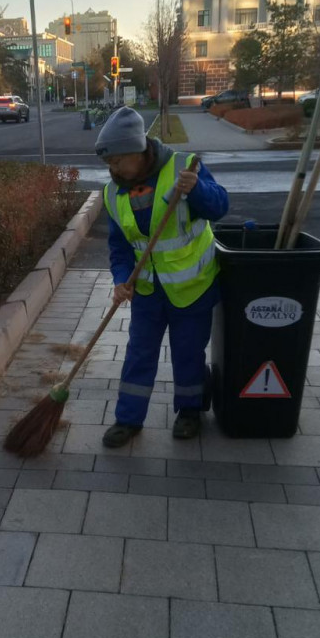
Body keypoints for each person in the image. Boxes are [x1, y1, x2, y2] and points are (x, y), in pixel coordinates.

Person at [95, 106, 229, 448]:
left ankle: (190, 411)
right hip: (148, 292)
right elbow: (119, 247)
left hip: (192, 288)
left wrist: (197, 188)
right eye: (108, 163)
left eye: (116, 160)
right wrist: (121, 279)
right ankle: (128, 419)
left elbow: (219, 207)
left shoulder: (184, 168)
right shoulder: (113, 193)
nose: (112, 168)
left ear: (137, 151)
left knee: (187, 353)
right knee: (139, 353)